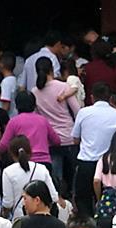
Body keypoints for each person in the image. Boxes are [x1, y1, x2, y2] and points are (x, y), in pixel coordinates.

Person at [71, 82, 116, 216]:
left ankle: (87, 225)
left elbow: (75, 139)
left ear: (92, 97)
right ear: (110, 98)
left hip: (86, 162)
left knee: (83, 199)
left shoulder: (84, 112)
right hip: (110, 164)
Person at [32, 57, 81, 190]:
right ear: (52, 70)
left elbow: (37, 116)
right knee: (74, 175)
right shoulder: (63, 87)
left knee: (56, 177)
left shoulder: (35, 92)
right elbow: (77, 111)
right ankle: (74, 202)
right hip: (69, 136)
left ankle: (58, 202)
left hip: (51, 139)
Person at [0, 91, 58, 172]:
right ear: (34, 104)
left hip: (22, 163)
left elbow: (3, 146)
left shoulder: (14, 122)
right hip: (44, 164)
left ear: (17, 105)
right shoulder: (43, 120)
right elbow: (57, 141)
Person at [1, 136, 59, 220]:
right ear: (30, 151)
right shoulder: (42, 168)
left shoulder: (8, 172)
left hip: (19, 218)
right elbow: (54, 197)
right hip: (44, 219)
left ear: (11, 154)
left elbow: (8, 203)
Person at [0, 52, 18, 116]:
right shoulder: (14, 79)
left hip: (8, 116)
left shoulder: (6, 82)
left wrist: (2, 118)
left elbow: (6, 105)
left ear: (1, 64)